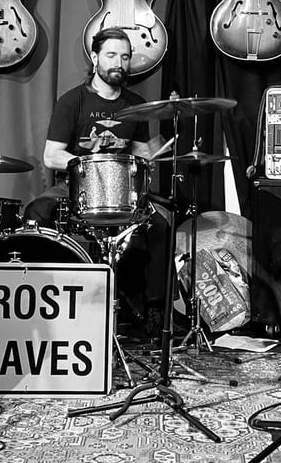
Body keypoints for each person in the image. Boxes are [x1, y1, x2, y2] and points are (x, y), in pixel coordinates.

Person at [23, 27, 170, 335]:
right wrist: (91, 166)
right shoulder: (73, 101)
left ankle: (153, 310)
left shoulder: (136, 104)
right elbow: (51, 156)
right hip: (77, 187)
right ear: (95, 58)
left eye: (125, 57)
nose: (119, 63)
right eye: (111, 55)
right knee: (37, 212)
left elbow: (141, 155)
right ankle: (40, 302)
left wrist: (152, 155)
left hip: (122, 190)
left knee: (160, 226)